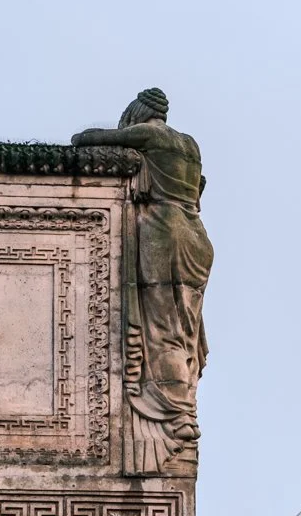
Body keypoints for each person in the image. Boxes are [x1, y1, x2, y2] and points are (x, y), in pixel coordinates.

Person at [73, 88, 214, 473]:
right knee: (184, 329)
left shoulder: (151, 135)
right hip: (197, 237)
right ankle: (184, 401)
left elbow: (87, 140)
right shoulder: (190, 144)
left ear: (138, 114)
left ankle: (178, 415)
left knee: (161, 330)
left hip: (163, 233)